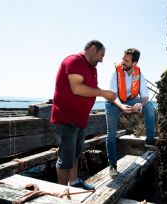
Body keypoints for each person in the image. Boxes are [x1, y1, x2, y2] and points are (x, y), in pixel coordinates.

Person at [50, 40, 116, 190]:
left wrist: (106, 94)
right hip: (67, 118)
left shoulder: (92, 68)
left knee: (75, 154)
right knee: (65, 159)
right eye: (101, 55)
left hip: (80, 119)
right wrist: (102, 93)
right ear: (93, 49)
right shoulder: (74, 61)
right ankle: (61, 193)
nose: (102, 59)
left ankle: (74, 182)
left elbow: (93, 88)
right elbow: (77, 88)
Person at [105, 48, 156, 178]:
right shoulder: (115, 73)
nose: (123, 62)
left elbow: (145, 97)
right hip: (114, 101)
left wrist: (141, 104)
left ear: (134, 63)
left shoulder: (139, 73)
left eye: (126, 60)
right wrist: (121, 106)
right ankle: (112, 165)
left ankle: (150, 141)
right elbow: (112, 95)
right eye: (122, 59)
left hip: (131, 99)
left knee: (150, 107)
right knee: (111, 134)